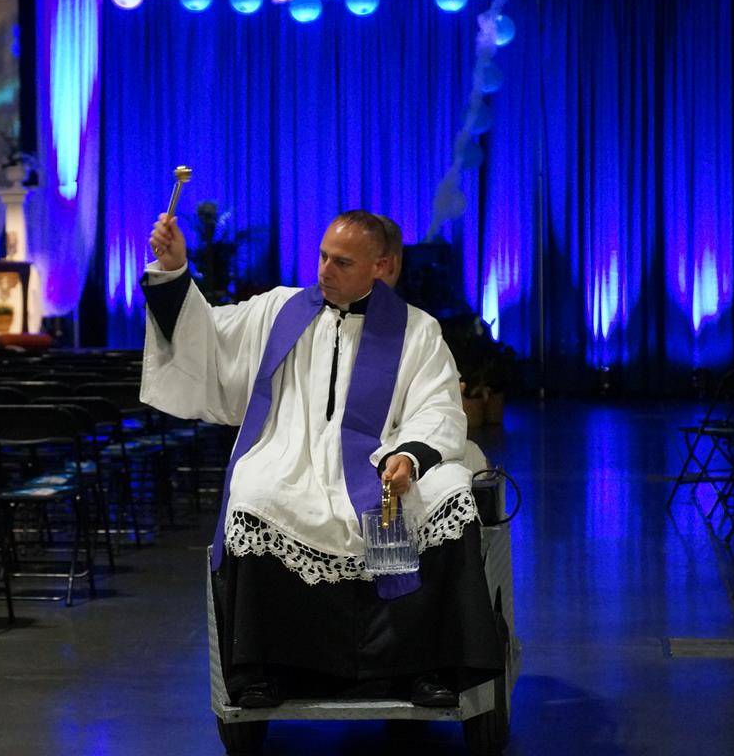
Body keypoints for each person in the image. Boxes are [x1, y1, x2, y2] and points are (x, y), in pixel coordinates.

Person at [140, 209, 503, 708]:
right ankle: (265, 669)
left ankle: (421, 668)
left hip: (381, 462)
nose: (325, 271)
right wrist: (176, 271)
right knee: (254, 494)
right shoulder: (279, 311)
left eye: (342, 262)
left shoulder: (416, 331)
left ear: (380, 266)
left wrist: (409, 457)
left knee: (446, 494)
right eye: (323, 257)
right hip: (294, 459)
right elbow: (207, 338)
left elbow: (438, 406)